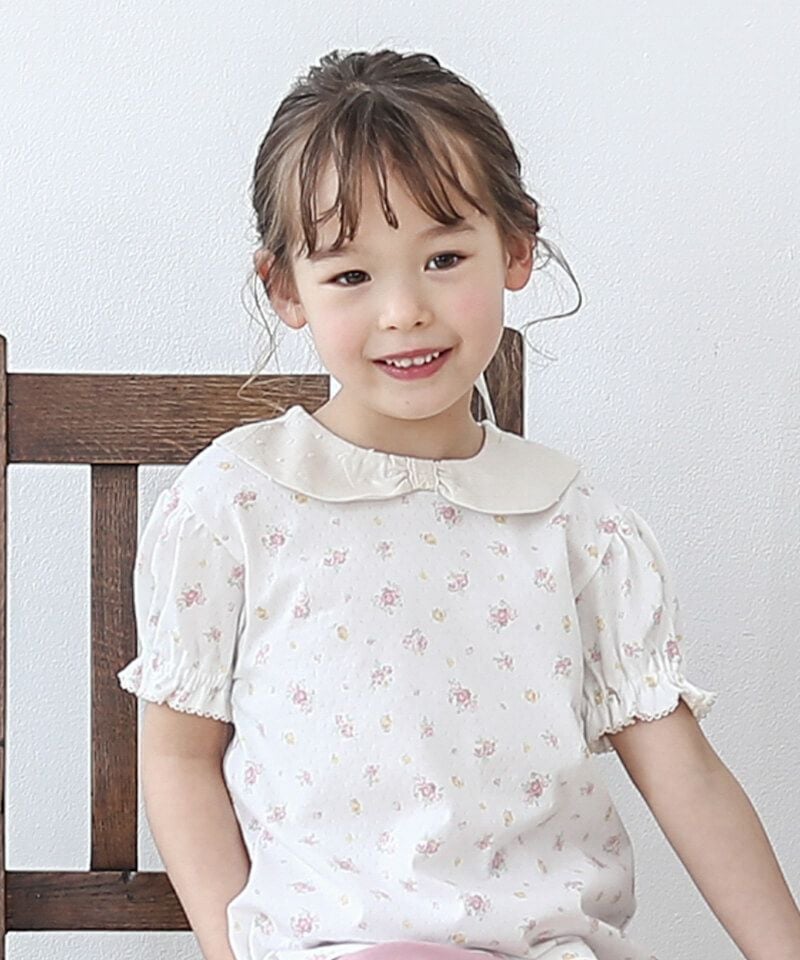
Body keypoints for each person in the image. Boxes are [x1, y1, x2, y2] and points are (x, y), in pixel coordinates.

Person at [117, 48, 800, 960]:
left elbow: (688, 778)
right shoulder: (235, 506)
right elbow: (178, 757)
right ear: (285, 288)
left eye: (443, 258)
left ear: (516, 250)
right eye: (351, 275)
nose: (404, 310)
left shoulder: (576, 525)